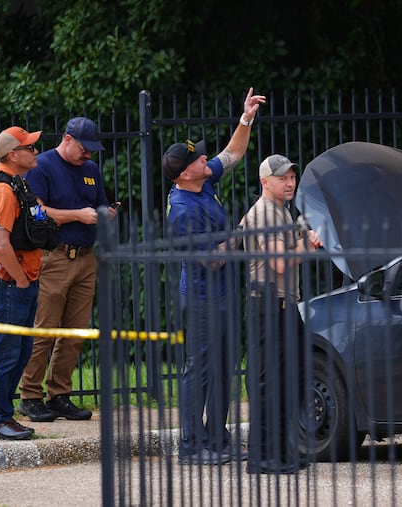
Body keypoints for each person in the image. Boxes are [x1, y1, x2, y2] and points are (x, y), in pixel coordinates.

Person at [163, 87, 266, 466]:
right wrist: (241, 234)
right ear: (184, 172)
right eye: (198, 158)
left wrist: (246, 117)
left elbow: (233, 154)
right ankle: (191, 446)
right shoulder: (182, 210)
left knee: (224, 365)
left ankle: (218, 439)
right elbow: (213, 261)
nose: (206, 158)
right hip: (202, 297)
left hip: (222, 295)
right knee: (200, 367)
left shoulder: (202, 181)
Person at [17, 117, 116, 422]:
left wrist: (106, 214)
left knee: (74, 331)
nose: (88, 155)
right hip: (54, 256)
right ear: (68, 139)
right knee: (44, 328)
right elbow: (37, 210)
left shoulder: (91, 171)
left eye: (92, 151)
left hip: (86, 257)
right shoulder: (42, 166)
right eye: (85, 149)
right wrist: (77, 216)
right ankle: (30, 395)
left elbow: (99, 205)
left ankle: (59, 393)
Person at [240, 154, 322, 475]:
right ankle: (262, 454)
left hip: (286, 305)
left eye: (292, 177)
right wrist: (307, 248)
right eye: (282, 178)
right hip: (268, 305)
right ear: (265, 181)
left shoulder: (282, 212)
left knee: (292, 377)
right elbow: (279, 263)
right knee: (267, 382)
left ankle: (282, 447)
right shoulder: (265, 213)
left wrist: (305, 237)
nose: (290, 183)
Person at [0, 126, 44, 439]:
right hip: (8, 282)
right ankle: (0, 419)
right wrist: (20, 279)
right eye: (29, 148)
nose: (35, 151)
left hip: (19, 280)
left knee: (19, 351)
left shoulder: (16, 183)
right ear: (12, 155)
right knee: (6, 352)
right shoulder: (3, 191)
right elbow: (0, 243)